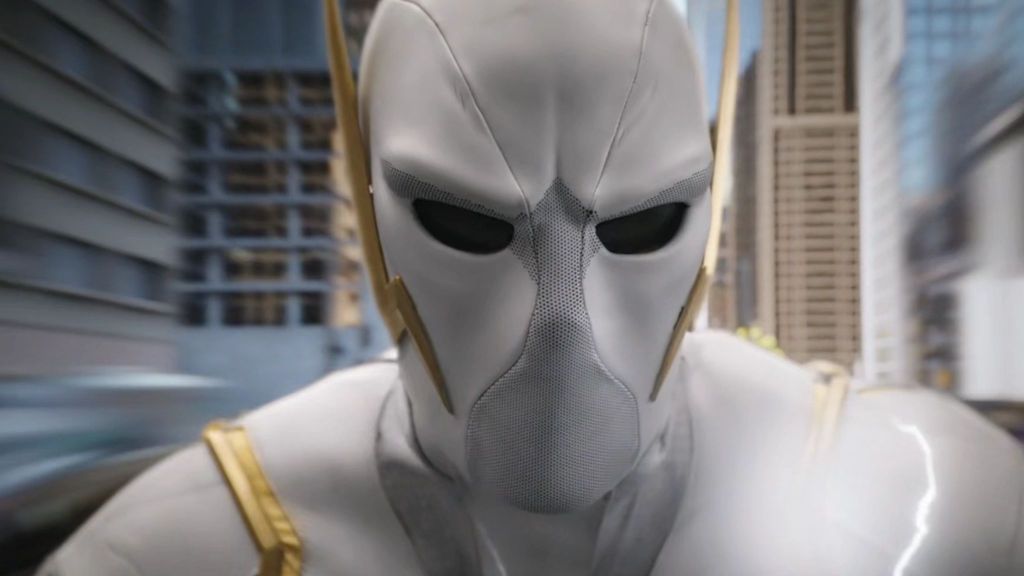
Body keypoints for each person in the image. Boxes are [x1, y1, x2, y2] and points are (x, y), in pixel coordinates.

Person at [39, 0, 1024, 574]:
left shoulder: (931, 502)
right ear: (367, 205)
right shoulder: (172, 549)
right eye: (466, 222)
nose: (565, 327)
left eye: (640, 222)